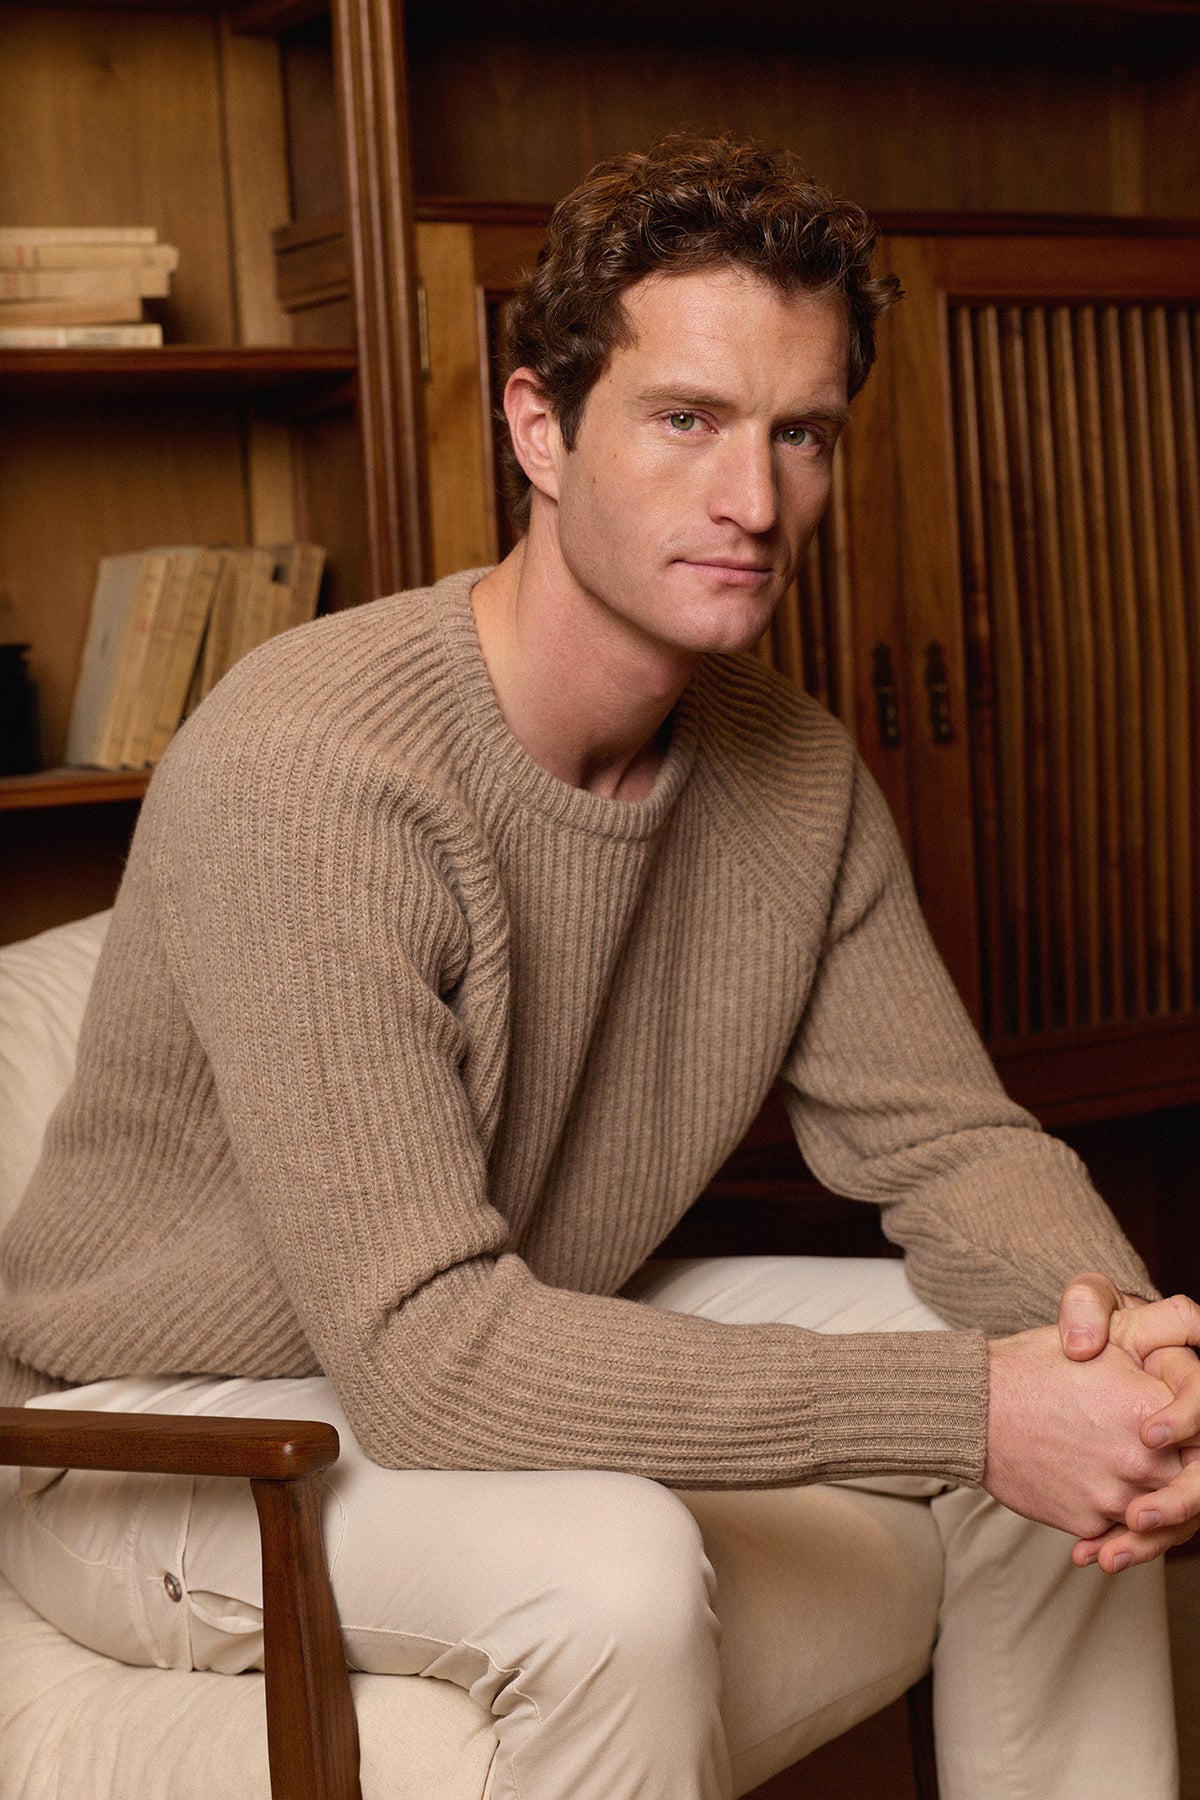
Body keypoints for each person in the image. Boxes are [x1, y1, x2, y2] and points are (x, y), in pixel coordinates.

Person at [2, 135, 1199, 1799]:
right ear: (540, 430)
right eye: (686, 419)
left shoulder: (791, 766)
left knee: (1070, 1384)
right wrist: (970, 1410)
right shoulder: (316, 765)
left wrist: (1135, 1355)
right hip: (147, 1433)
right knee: (623, 1572)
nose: (754, 501)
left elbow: (950, 1144)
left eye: (801, 434)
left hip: (518, 1313)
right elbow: (428, 1356)